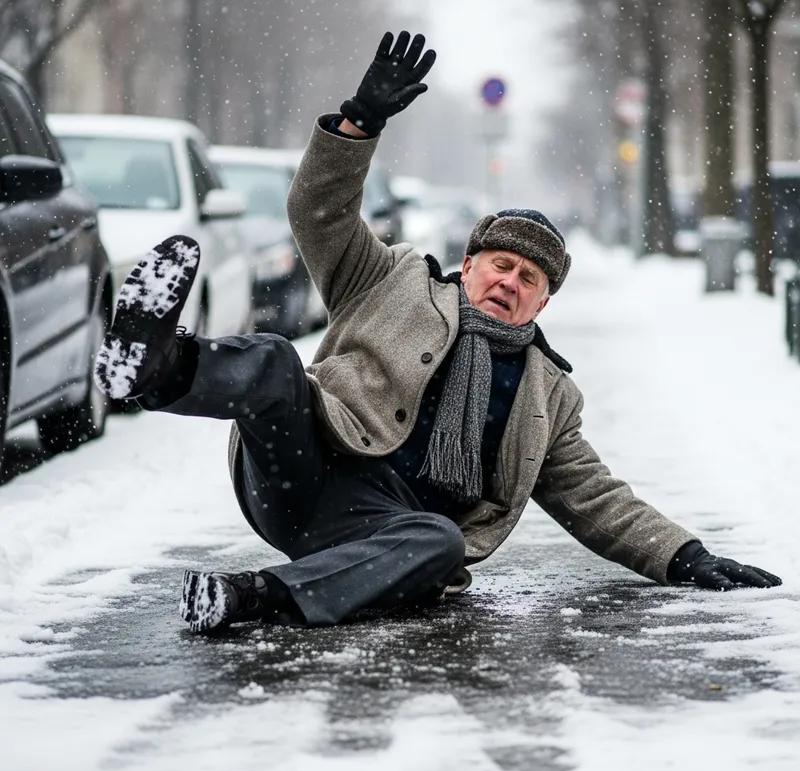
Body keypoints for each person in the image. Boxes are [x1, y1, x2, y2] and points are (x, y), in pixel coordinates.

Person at [93, 31, 781, 634]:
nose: (510, 281)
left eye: (530, 279)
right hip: (300, 466)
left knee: (439, 544)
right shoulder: (389, 279)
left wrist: (685, 556)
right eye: (501, 264)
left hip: (384, 532)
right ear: (470, 263)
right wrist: (360, 123)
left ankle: (252, 599)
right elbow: (318, 212)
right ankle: (152, 367)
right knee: (275, 361)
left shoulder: (549, 396)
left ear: (542, 303)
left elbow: (597, 500)